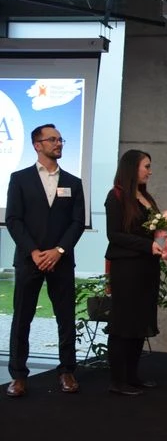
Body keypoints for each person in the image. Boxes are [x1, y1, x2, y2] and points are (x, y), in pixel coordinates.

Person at [5, 124, 85, 397]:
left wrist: (58, 251)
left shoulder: (73, 182)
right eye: (52, 139)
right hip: (30, 260)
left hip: (61, 260)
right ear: (37, 145)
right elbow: (13, 219)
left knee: (65, 317)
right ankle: (18, 375)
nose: (58, 143)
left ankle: (67, 371)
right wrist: (34, 251)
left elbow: (77, 222)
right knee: (22, 318)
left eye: (60, 139)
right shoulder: (20, 179)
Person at [104, 150, 164, 396]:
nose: (150, 171)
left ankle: (132, 376)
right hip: (127, 269)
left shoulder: (145, 196)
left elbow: (153, 230)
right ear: (132, 168)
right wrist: (147, 245)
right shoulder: (116, 196)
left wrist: (166, 234)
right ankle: (118, 380)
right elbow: (114, 235)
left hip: (147, 267)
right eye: (146, 166)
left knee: (140, 322)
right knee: (124, 324)